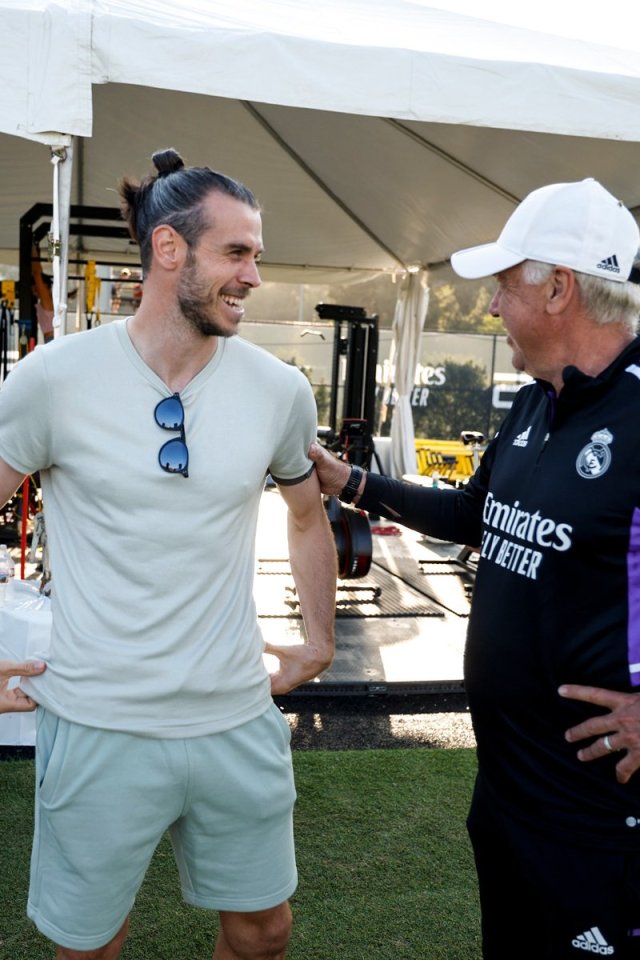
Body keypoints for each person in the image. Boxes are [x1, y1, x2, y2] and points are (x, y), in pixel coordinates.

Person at [308, 177, 640, 960]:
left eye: (502, 286)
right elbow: (472, 518)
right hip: (510, 800)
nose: (490, 309)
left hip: (607, 824)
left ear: (559, 288)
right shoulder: (536, 403)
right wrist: (349, 481)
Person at [0, 148, 337, 960]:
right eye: (238, 252)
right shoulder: (53, 379)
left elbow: (305, 514)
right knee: (88, 947)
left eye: (256, 253)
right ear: (169, 249)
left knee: (264, 933)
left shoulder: (279, 389)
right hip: (99, 722)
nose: (255, 274)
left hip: (235, 717)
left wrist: (319, 640)